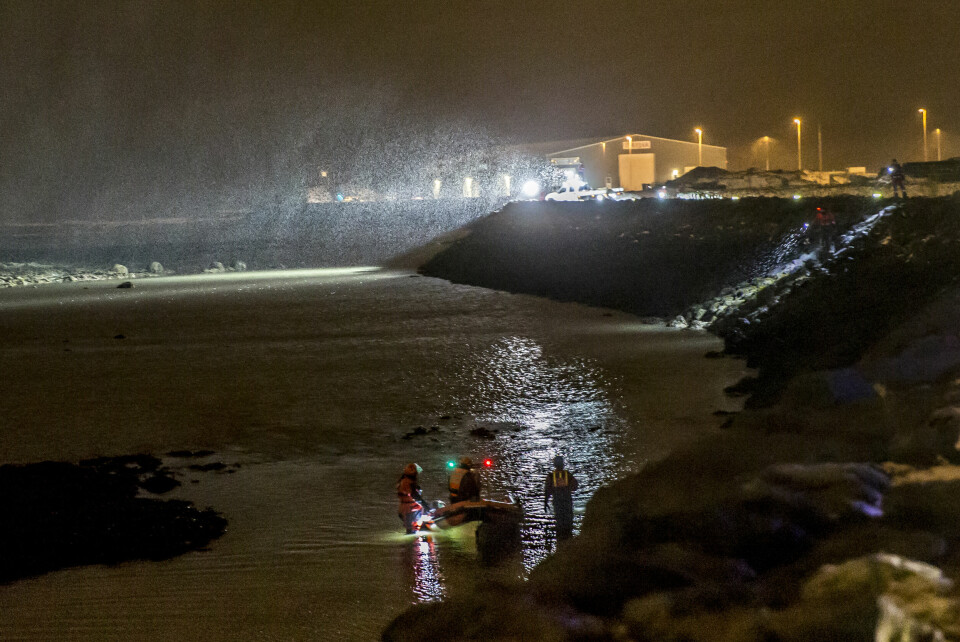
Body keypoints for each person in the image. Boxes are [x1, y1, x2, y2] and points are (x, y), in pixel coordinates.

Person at [544, 455, 579, 541]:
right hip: (567, 503)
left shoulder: (551, 476)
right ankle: (569, 540)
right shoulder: (568, 475)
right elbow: (575, 486)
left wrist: (545, 502)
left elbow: (547, 491)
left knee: (560, 523)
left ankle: (560, 542)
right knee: (568, 523)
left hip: (558, 503)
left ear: (554, 465)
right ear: (563, 464)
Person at [397, 463, 424, 534]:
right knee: (412, 530)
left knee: (409, 528)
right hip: (410, 509)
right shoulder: (409, 482)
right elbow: (415, 495)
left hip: (402, 509)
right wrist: (425, 505)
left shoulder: (402, 480)